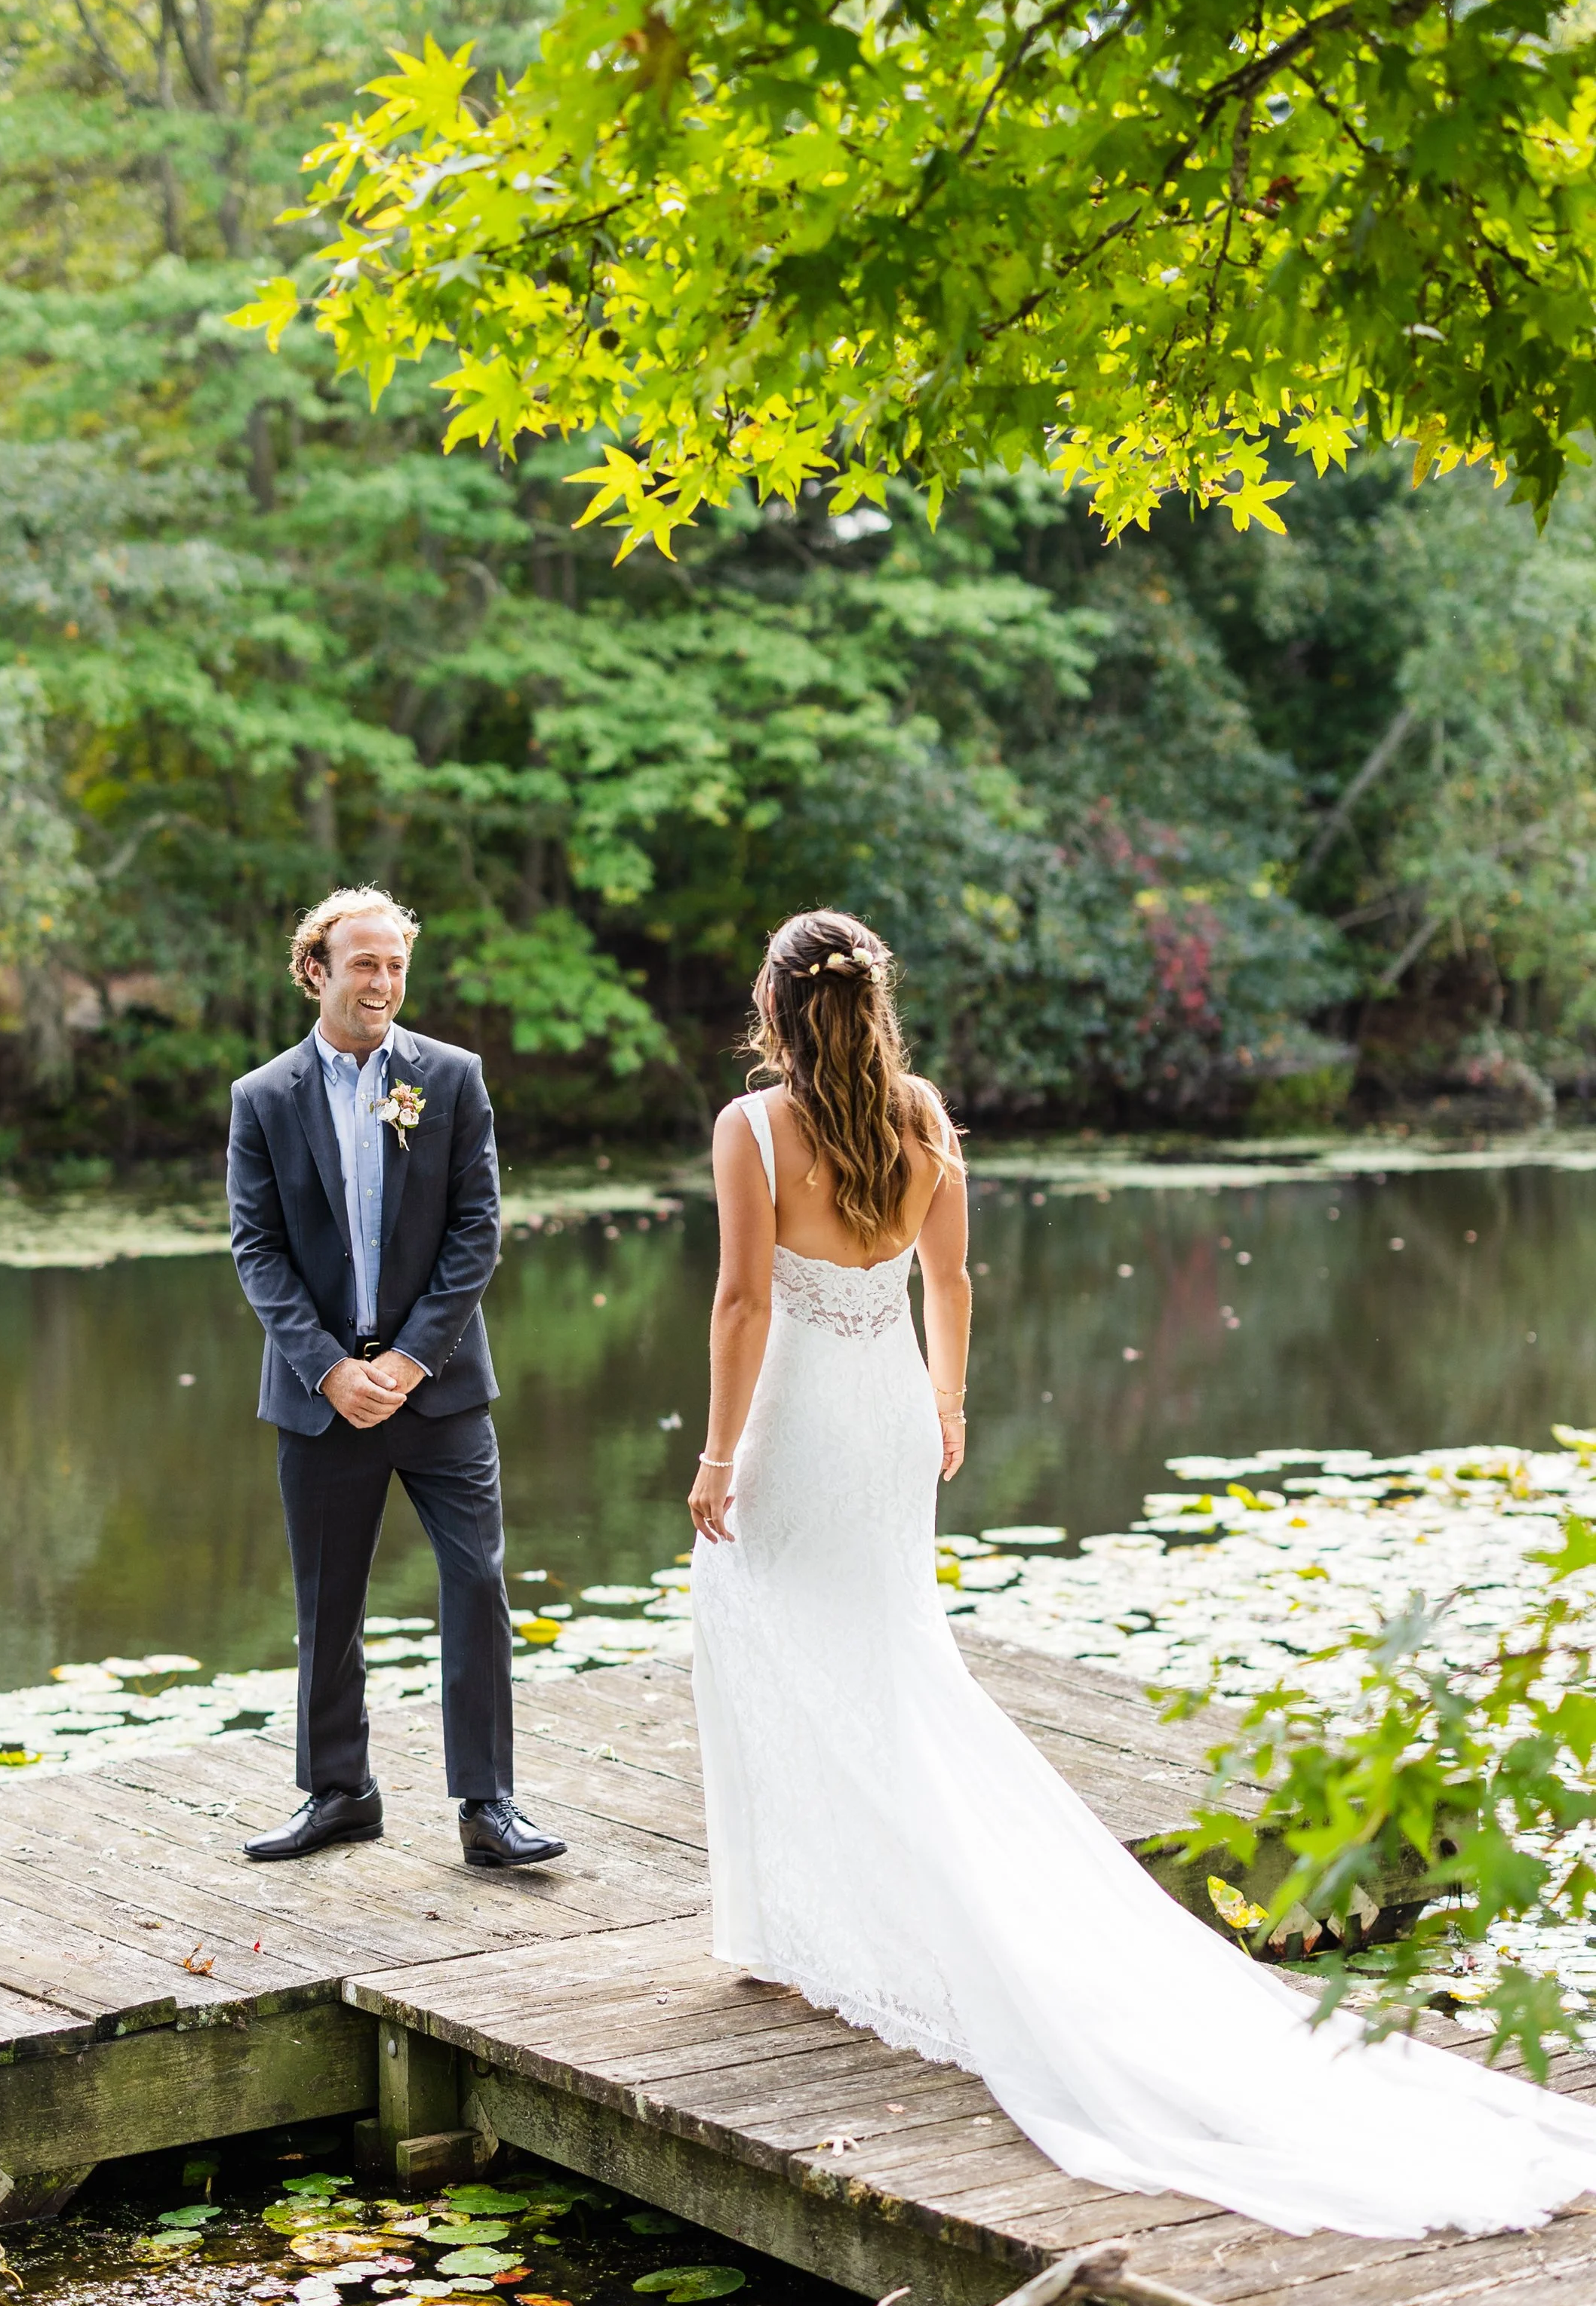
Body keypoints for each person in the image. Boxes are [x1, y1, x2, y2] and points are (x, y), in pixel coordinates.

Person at [687, 905, 1596, 2238]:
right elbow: (953, 1283)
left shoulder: (751, 1129)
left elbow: (744, 1304)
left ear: (772, 1013)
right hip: (883, 1420)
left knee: (772, 1629)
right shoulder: (924, 1116)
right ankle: (821, 1918)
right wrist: (946, 1408)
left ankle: (787, 1927)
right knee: (890, 1660)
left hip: (804, 1423)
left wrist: (717, 1457)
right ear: (876, 1009)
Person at [226, 886, 564, 1871]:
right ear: (315, 971)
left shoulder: (450, 1079)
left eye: (394, 964)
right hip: (321, 1395)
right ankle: (340, 1793)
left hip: (442, 1388)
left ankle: (487, 1806)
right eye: (363, 963)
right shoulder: (263, 1098)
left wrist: (412, 1358)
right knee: (327, 1602)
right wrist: (331, 1369)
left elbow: (475, 1231)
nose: (382, 981)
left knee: (476, 1581)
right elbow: (259, 1251)